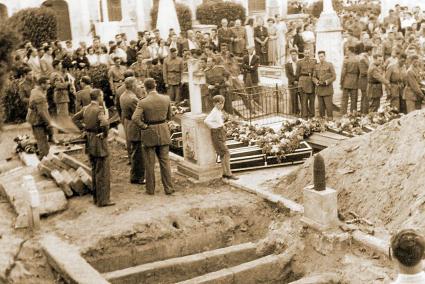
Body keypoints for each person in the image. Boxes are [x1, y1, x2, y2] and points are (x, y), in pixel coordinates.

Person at [132, 78, 174, 195]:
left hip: (149, 132)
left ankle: (150, 190)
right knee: (165, 162)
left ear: (145, 88)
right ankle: (169, 188)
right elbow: (170, 117)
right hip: (163, 131)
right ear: (155, 85)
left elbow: (135, 118)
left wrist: (144, 126)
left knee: (149, 163)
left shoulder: (143, 102)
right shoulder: (166, 98)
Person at [72, 89, 114, 207]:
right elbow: (105, 124)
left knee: (95, 170)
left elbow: (74, 118)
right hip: (99, 141)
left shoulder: (86, 109)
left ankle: (96, 198)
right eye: (101, 95)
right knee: (103, 172)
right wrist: (105, 134)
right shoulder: (99, 110)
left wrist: (84, 128)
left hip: (89, 141)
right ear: (99, 97)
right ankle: (103, 200)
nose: (102, 97)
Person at [204, 95, 238, 180]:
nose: (221, 105)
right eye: (219, 103)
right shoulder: (214, 112)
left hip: (220, 133)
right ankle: (229, 173)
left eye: (223, 103)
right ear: (214, 103)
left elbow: (220, 122)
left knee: (223, 154)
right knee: (226, 153)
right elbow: (206, 121)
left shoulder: (218, 111)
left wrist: (222, 125)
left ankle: (224, 173)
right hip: (217, 134)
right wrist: (216, 127)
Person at [120, 77, 145, 185]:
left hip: (129, 124)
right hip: (135, 127)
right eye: (136, 84)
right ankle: (139, 177)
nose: (138, 86)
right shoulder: (133, 98)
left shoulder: (123, 95)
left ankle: (134, 176)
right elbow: (139, 115)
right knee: (139, 154)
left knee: (135, 152)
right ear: (133, 86)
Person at [26, 76, 56, 158]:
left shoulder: (35, 90)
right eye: (48, 83)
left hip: (34, 118)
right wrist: (49, 123)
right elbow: (42, 112)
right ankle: (44, 160)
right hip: (37, 121)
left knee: (42, 141)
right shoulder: (39, 96)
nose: (49, 85)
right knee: (42, 142)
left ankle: (44, 155)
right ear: (42, 84)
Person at [313, 51, 336, 120]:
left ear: (325, 56)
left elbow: (334, 76)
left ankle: (330, 120)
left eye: (322, 56)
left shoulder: (330, 65)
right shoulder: (316, 66)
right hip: (319, 89)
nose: (321, 58)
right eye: (319, 57)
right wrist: (316, 81)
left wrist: (327, 81)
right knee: (321, 107)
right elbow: (313, 77)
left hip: (327, 89)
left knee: (329, 106)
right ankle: (322, 122)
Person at [296, 48, 316, 119]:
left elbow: (315, 72)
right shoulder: (300, 62)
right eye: (306, 53)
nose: (307, 55)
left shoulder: (314, 61)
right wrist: (299, 84)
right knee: (304, 101)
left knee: (312, 101)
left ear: (310, 54)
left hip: (311, 83)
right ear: (304, 54)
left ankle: (312, 116)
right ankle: (304, 116)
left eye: (308, 53)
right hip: (303, 82)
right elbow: (297, 74)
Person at [340, 46, 360, 115]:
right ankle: (353, 114)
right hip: (355, 81)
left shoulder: (346, 60)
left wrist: (341, 82)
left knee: (344, 99)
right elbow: (359, 72)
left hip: (346, 80)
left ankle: (343, 114)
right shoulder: (357, 59)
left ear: (350, 51)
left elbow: (343, 73)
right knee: (354, 99)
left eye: (347, 50)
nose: (346, 52)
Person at [285, 49, 300, 116]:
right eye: (292, 54)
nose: (293, 56)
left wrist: (298, 80)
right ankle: (295, 113)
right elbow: (288, 74)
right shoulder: (288, 64)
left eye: (295, 54)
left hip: (300, 83)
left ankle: (303, 113)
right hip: (292, 84)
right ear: (290, 55)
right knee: (293, 99)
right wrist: (294, 81)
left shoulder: (300, 63)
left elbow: (301, 72)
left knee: (302, 98)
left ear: (297, 55)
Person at [358, 44, 372, 114]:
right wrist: (371, 72)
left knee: (365, 97)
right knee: (365, 97)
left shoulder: (365, 58)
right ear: (369, 51)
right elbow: (363, 72)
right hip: (364, 81)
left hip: (365, 80)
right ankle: (364, 112)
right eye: (371, 51)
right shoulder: (363, 59)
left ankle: (364, 112)